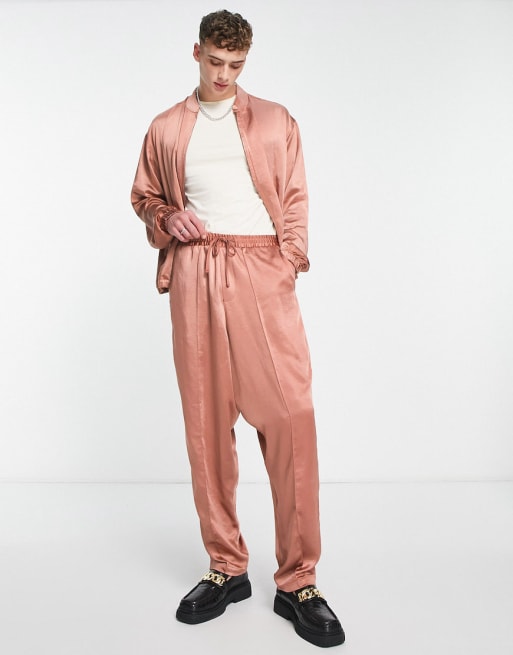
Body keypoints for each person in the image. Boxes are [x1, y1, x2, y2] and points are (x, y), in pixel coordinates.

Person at [131, 9, 345, 649]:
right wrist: (167, 219)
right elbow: (144, 196)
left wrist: (288, 261)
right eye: (215, 62)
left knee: (290, 417)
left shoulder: (276, 120)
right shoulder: (166, 127)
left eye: (236, 65)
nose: (224, 75)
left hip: (259, 268)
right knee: (206, 425)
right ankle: (226, 567)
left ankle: (298, 581)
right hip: (195, 270)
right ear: (196, 53)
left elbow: (295, 196)